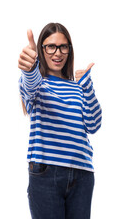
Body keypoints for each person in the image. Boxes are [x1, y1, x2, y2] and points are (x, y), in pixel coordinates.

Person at [18, 22, 102, 219]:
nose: (58, 53)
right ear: (41, 49)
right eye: (51, 46)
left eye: (63, 46)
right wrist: (29, 69)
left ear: (69, 50)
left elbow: (94, 124)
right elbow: (29, 85)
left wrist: (87, 87)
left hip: (82, 174)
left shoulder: (79, 87)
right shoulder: (38, 84)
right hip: (47, 173)